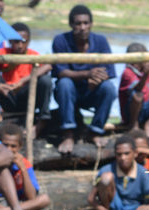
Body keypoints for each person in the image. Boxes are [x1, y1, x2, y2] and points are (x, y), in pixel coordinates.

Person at [52, 4, 118, 154]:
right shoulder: (60, 40)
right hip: (68, 94)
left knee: (108, 88)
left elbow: (109, 71)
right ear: (71, 25)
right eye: (78, 23)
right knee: (64, 83)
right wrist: (88, 74)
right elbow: (61, 72)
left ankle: (95, 131)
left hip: (93, 91)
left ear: (91, 24)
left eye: (85, 23)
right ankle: (68, 133)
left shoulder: (100, 41)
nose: (82, 27)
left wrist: (97, 80)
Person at [0, 23, 53, 135]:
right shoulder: (3, 53)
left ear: (28, 41)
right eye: (16, 42)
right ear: (10, 42)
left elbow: (48, 66)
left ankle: (42, 121)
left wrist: (23, 81)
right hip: (6, 93)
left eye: (23, 41)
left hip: (26, 95)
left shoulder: (33, 55)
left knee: (45, 80)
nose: (20, 45)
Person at [88, 135, 149, 210]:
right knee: (106, 177)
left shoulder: (143, 172)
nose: (123, 158)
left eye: (127, 153)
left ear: (135, 153)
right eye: (119, 154)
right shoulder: (106, 169)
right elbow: (91, 199)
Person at [0, 123, 51, 210]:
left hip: (17, 203)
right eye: (5, 145)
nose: (8, 149)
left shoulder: (24, 164)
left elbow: (31, 197)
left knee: (44, 199)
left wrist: (23, 169)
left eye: (13, 146)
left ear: (19, 147)